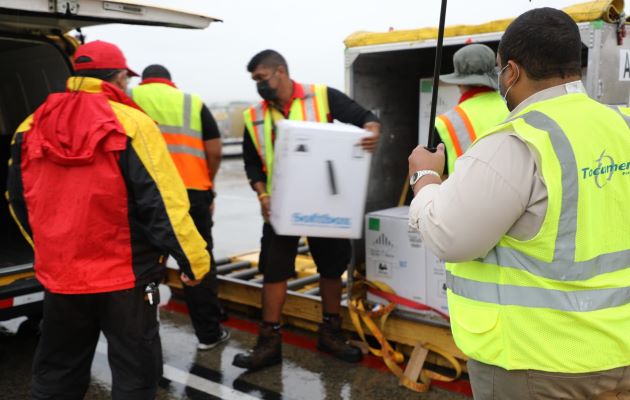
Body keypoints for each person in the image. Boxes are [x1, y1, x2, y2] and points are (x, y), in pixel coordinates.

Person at [408, 8, 630, 399]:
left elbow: (450, 238)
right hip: (621, 351)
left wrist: (424, 178)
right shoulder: (623, 124)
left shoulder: (516, 143)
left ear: (510, 71)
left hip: (540, 364)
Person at [6, 40, 210, 400]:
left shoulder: (30, 124)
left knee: (57, 374)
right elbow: (163, 203)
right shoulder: (133, 123)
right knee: (135, 375)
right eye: (125, 79)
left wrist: (49, 248)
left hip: (63, 278)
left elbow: (18, 200)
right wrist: (193, 260)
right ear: (117, 78)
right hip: (125, 278)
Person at [233, 49, 381, 371]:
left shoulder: (322, 97)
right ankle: (268, 343)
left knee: (331, 267)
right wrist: (262, 196)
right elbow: (251, 163)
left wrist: (372, 129)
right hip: (280, 205)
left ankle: (330, 333)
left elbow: (364, 116)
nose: (258, 85)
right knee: (274, 270)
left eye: (262, 78)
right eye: (255, 80)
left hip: (323, 201)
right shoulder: (253, 117)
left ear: (281, 72)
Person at [131, 64, 229, 350]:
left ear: (144, 80)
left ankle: (148, 330)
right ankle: (208, 334)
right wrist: (208, 188)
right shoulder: (191, 102)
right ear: (169, 82)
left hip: (146, 195)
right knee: (198, 263)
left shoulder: (128, 99)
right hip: (192, 193)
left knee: (147, 269)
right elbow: (214, 151)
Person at [433, 43, 509, 174]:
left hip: (465, 194)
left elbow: (440, 177)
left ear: (459, 82)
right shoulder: (515, 107)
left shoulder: (445, 123)